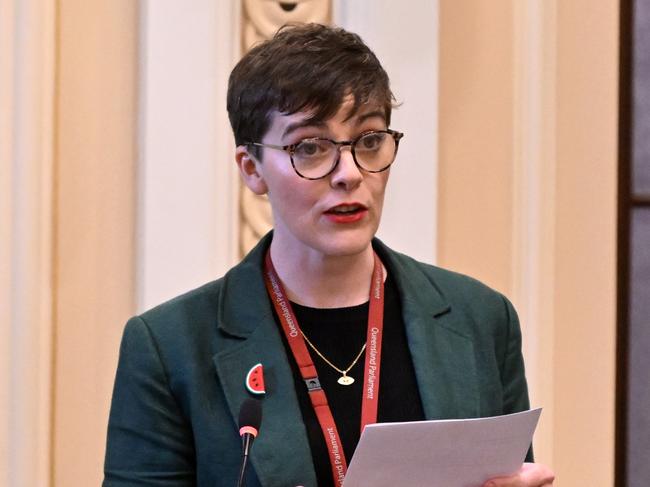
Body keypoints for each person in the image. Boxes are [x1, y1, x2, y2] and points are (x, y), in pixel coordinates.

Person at [103, 23, 555, 487]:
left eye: (369, 140)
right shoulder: (169, 346)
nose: (349, 173)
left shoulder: (481, 319)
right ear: (252, 169)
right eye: (311, 148)